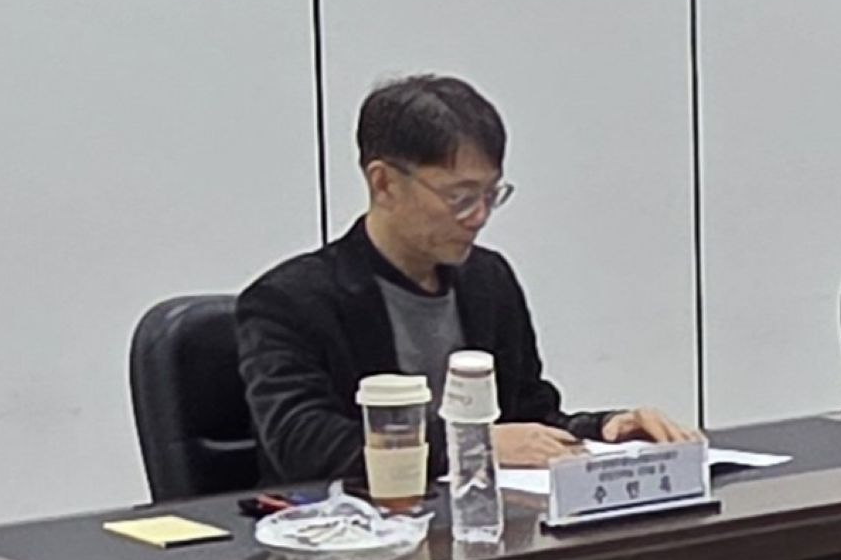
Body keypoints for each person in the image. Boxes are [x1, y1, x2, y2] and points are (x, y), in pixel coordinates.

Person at [236, 73, 692, 487]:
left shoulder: (487, 281)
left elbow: (526, 416)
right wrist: (473, 446)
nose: (478, 216)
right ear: (384, 184)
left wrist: (603, 431)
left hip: (483, 525)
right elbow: (307, 448)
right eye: (459, 197)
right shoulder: (289, 301)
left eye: (491, 195)